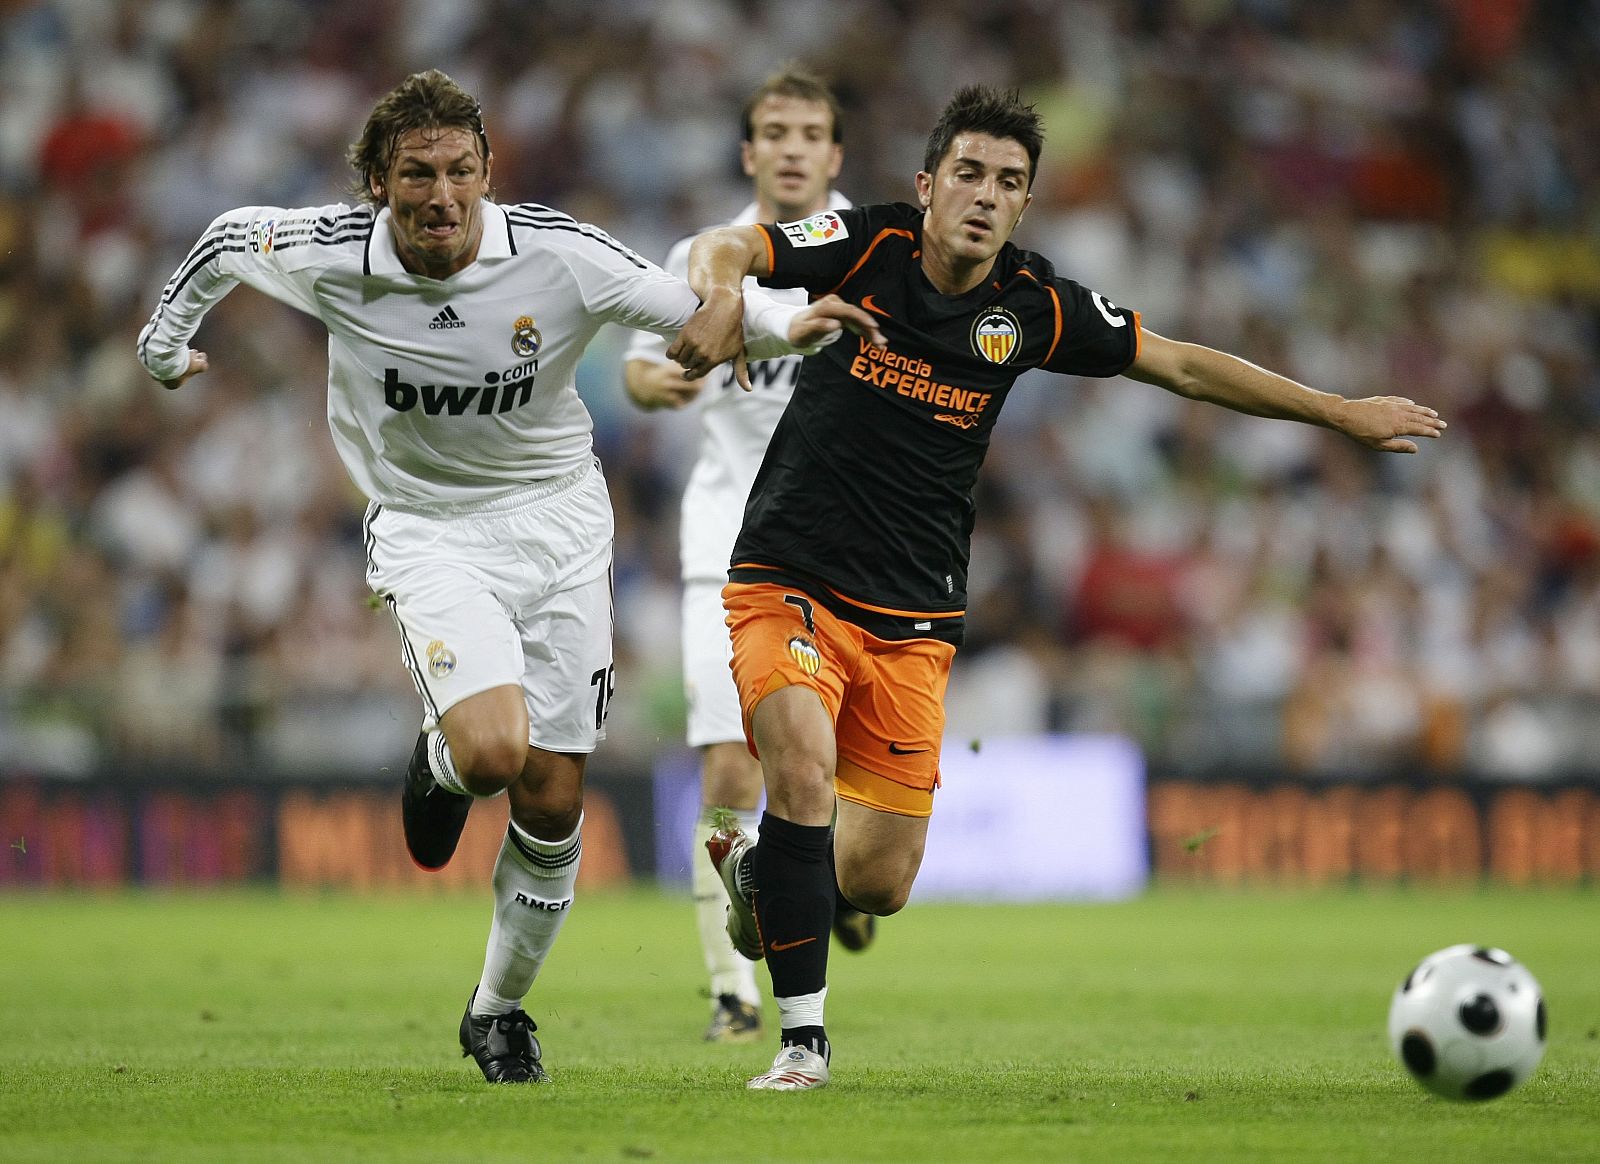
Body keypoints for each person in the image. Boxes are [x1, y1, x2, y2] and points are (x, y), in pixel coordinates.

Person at [670, 84, 1447, 1091]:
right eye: (968, 175)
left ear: (1025, 205)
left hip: (913, 614)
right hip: (789, 574)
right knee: (802, 775)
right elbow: (724, 248)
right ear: (926, 183)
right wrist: (723, 295)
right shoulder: (864, 243)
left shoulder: (1033, 306)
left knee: (873, 881)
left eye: (1008, 183)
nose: (984, 197)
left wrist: (1337, 411)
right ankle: (802, 1045)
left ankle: (755, 875)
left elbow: (1180, 366)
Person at [135, 68, 881, 1085]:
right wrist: (164, 348)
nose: (440, 195)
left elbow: (689, 311)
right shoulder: (327, 255)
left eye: (459, 172)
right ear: (376, 183)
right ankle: (442, 763)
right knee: (492, 750)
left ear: (488, 172)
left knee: (552, 798)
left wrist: (782, 325)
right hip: (430, 529)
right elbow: (224, 241)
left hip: (563, 530)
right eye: (415, 175)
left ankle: (496, 1012)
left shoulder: (557, 255)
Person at [621, 65, 874, 1047]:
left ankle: (838, 882)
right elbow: (646, 355)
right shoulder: (704, 255)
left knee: (836, 787)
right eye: (775, 130)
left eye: (810, 131)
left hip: (850, 544)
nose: (793, 147)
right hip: (727, 540)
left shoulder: (878, 251)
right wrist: (649, 387)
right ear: (749, 151)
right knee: (732, 767)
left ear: (835, 153)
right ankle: (732, 990)